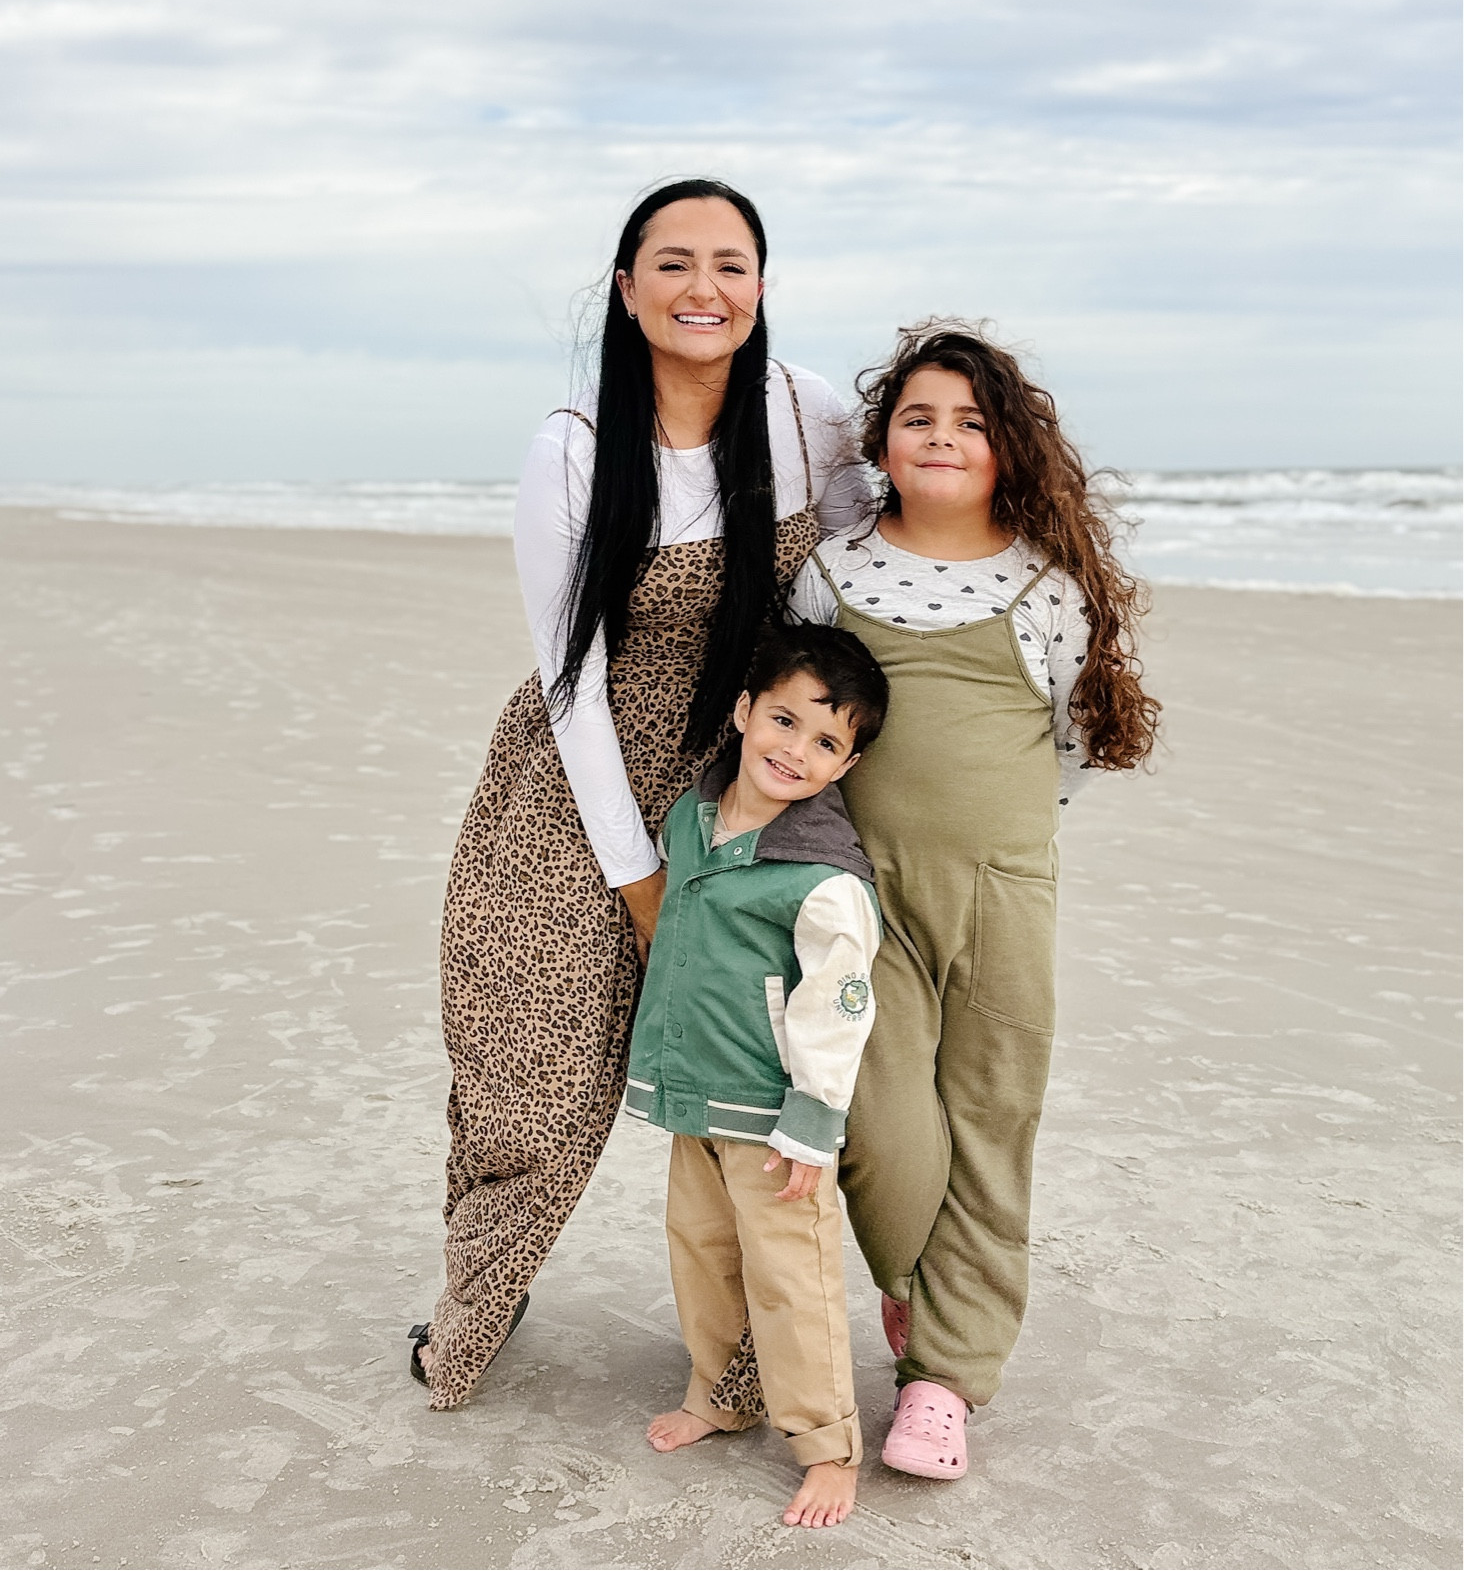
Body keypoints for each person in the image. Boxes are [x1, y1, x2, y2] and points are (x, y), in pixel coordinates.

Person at [411, 180, 871, 1409]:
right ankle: (470, 1310)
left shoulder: (805, 412)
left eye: (731, 263)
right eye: (673, 264)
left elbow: (850, 569)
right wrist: (641, 879)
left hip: (750, 769)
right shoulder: (570, 447)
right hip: (578, 785)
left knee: (753, 1083)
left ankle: (755, 1360)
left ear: (762, 286)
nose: (702, 288)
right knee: (535, 1069)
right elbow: (574, 684)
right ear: (627, 289)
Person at [788, 320, 1160, 1478]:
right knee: (879, 1124)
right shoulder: (833, 570)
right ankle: (912, 1285)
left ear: (1010, 448)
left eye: (970, 420)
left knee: (993, 1124)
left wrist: (1000, 852)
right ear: (883, 444)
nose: (943, 438)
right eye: (918, 418)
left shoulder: (1044, 590)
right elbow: (803, 719)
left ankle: (944, 1378)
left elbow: (1067, 755)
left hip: (1004, 892)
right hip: (861, 898)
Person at [628, 623, 889, 1528]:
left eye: (827, 741)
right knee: (700, 1254)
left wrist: (812, 1120)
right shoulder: (688, 820)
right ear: (743, 712)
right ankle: (720, 1392)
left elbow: (840, 1004)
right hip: (694, 1093)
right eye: (783, 719)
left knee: (791, 1276)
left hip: (777, 1119)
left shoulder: (821, 877)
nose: (795, 749)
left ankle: (827, 1444)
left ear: (846, 765)